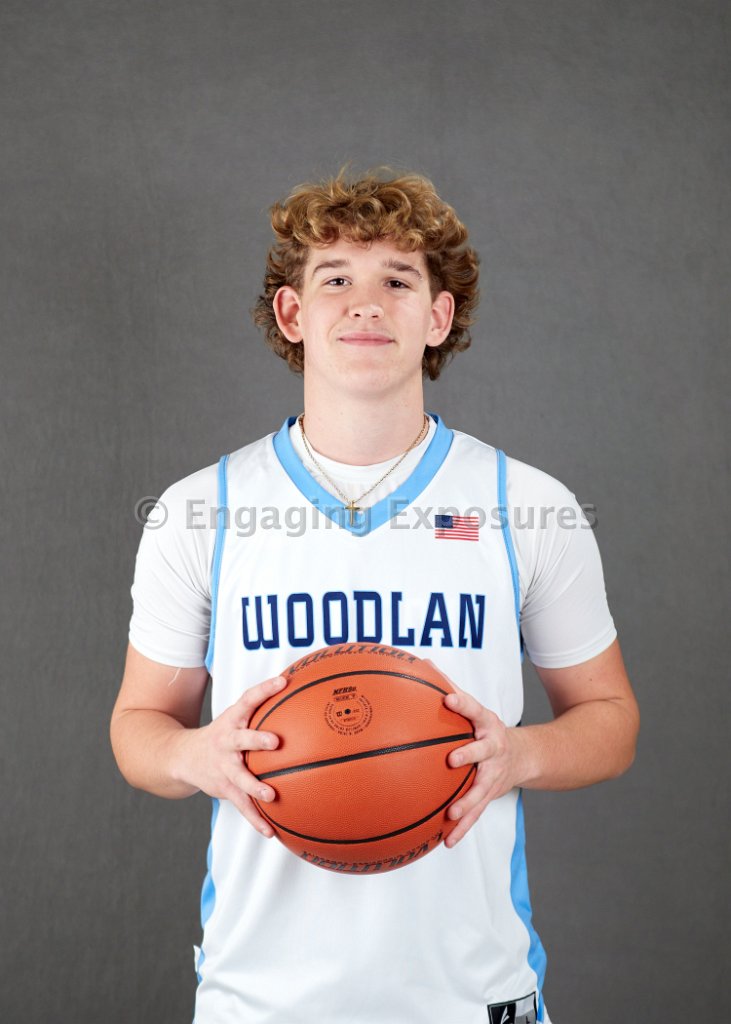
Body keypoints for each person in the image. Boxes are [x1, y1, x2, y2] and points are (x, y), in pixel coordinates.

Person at [111, 169, 639, 1024]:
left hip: (471, 995)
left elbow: (610, 720)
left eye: (397, 280)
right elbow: (137, 729)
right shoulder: (201, 510)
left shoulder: (523, 504)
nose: (365, 303)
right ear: (292, 313)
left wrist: (519, 754)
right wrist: (194, 756)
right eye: (335, 279)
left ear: (437, 316)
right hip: (259, 1000)